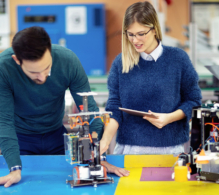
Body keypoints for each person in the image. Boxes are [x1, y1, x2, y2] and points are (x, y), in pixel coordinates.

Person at [0, 26, 129, 188]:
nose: (42, 77)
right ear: (17, 60)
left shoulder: (67, 61)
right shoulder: (3, 68)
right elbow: (3, 122)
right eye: (34, 73)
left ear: (50, 51)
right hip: (21, 139)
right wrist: (14, 168)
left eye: (46, 68)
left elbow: (90, 112)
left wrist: (98, 159)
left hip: (56, 135)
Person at [100, 1, 202, 155]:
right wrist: (105, 141)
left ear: (154, 30)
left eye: (141, 34)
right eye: (130, 34)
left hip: (170, 151)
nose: (135, 40)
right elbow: (114, 108)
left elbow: (194, 101)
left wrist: (169, 118)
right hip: (129, 151)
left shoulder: (178, 59)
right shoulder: (121, 63)